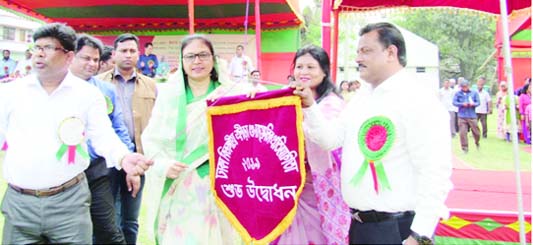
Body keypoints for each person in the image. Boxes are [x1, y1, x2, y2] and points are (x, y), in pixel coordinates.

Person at [292, 22, 452, 245]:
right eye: (358, 51)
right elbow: (330, 139)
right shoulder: (362, 98)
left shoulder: (417, 99)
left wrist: (419, 236)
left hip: (399, 229)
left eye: (366, 51)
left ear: (390, 52)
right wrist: (309, 105)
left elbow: (435, 173)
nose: (358, 58)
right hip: (360, 226)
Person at [0, 22, 152, 244]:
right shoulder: (10, 93)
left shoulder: (88, 95)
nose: (39, 54)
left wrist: (123, 157)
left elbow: (103, 135)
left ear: (68, 56)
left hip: (69, 201)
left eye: (49, 48)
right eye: (37, 47)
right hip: (20, 204)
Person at [141, 34, 250, 244]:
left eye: (202, 55)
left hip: (222, 182)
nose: (197, 61)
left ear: (213, 59)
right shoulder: (168, 96)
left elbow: (255, 118)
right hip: (182, 182)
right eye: (190, 56)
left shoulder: (231, 93)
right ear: (182, 62)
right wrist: (163, 165)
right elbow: (152, 139)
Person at [274, 45, 350, 244]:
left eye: (310, 67)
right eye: (299, 67)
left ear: (324, 72)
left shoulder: (332, 104)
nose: (303, 72)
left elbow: (324, 140)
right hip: (286, 187)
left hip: (317, 189)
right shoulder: (285, 97)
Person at [70, 33, 137, 244]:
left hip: (99, 171)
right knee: (72, 229)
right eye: (86, 58)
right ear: (71, 57)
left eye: (96, 60)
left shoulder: (105, 90)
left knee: (108, 228)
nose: (92, 64)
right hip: (66, 172)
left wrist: (128, 159)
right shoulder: (58, 88)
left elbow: (118, 128)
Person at [97, 33, 157, 244]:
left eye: (132, 51)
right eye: (123, 51)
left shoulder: (151, 85)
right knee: (106, 217)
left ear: (139, 55)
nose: (128, 55)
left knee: (131, 220)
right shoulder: (99, 85)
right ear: (113, 54)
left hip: (138, 160)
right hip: (107, 161)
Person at [453, 80, 481, 153]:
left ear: (468, 86)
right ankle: (464, 148)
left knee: (476, 132)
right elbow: (454, 102)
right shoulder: (458, 93)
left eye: (466, 86)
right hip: (462, 115)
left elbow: (478, 102)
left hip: (472, 115)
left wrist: (473, 104)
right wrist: (462, 104)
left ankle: (477, 142)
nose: (465, 88)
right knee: (462, 132)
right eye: (463, 87)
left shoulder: (474, 93)